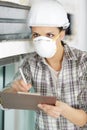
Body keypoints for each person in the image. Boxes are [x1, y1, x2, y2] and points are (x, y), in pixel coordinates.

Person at [2, 0, 87, 129]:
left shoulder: (82, 62)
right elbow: (3, 101)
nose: (42, 41)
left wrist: (63, 109)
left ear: (62, 34)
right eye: (36, 35)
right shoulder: (30, 64)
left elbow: (84, 120)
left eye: (49, 35)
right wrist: (14, 90)